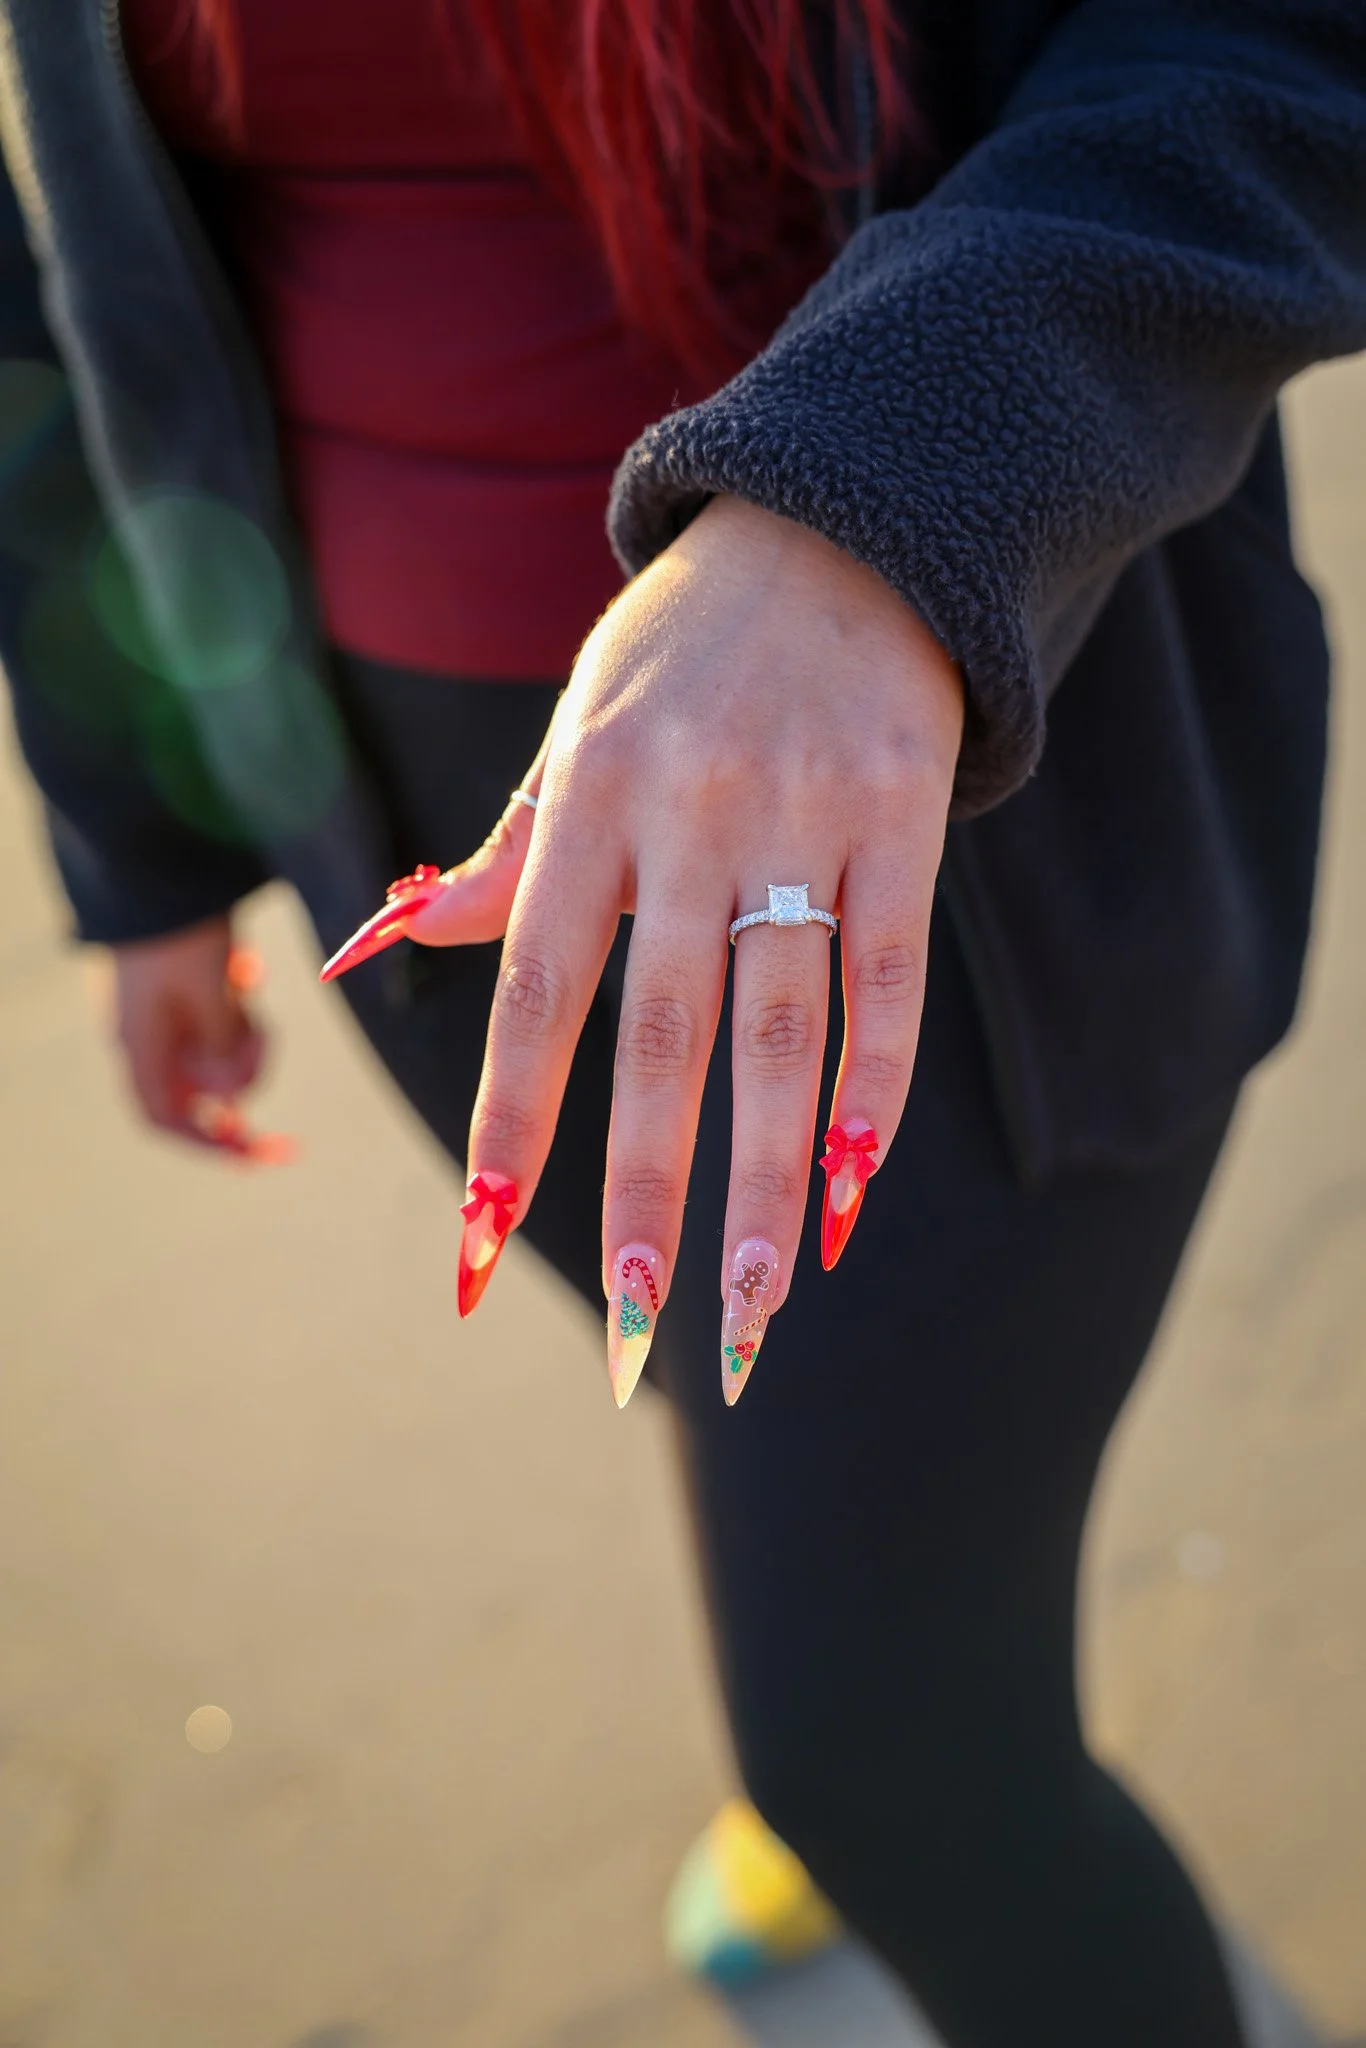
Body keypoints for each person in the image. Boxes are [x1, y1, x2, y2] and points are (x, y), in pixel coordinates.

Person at [1, 2, 1363, 2041]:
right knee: (732, 1401)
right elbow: (63, 252)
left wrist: (873, 502)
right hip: (424, 859)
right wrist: (148, 826)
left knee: (888, 1752)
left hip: (953, 845)